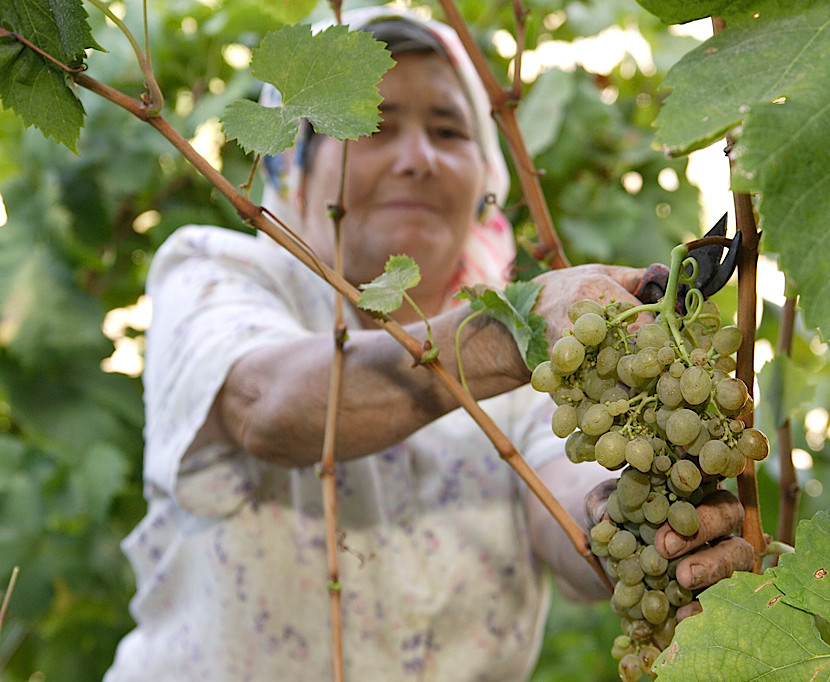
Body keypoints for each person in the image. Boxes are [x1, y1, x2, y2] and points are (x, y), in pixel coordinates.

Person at [104, 7, 752, 681]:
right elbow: (266, 407)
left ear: (484, 182)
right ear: (295, 166)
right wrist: (515, 327)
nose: (418, 158)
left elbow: (567, 504)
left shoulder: (535, 372)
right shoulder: (222, 273)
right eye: (374, 125)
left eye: (448, 129)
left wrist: (640, 518)